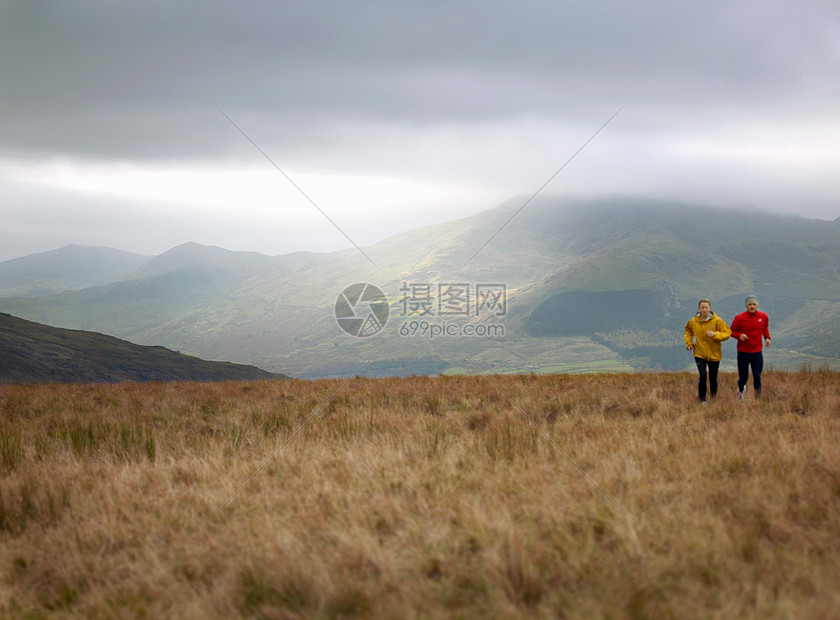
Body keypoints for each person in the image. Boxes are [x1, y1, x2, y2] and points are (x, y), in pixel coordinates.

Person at [684, 298, 731, 403]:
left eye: (706, 307)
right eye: (702, 308)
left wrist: (715, 334)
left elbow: (727, 333)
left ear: (710, 308)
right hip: (699, 353)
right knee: (703, 375)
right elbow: (688, 330)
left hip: (714, 354)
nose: (704, 310)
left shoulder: (717, 320)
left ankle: (713, 398)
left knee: (713, 378)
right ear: (699, 309)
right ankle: (702, 400)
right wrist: (689, 343)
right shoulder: (693, 321)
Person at [730, 295, 771, 399]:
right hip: (743, 352)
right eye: (750, 304)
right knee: (744, 377)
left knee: (757, 376)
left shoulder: (763, 316)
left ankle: (757, 398)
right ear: (746, 306)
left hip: (757, 352)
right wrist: (740, 335)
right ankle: (740, 390)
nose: (752, 306)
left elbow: (765, 328)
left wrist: (767, 338)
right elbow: (730, 331)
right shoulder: (739, 318)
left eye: (754, 304)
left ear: (757, 305)